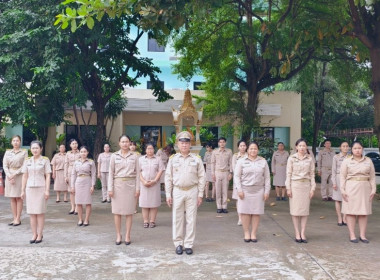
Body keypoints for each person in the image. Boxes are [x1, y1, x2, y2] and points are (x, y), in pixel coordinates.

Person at [165, 131, 205, 255]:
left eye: (186, 143)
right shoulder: (173, 159)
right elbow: (168, 177)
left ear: (190, 144)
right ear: (177, 144)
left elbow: (202, 177)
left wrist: (200, 194)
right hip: (177, 191)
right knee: (177, 218)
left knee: (191, 219)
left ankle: (188, 244)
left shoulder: (196, 159)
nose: (184, 145)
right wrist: (168, 194)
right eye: (181, 143)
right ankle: (178, 243)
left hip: (192, 191)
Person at [340, 141, 376, 243]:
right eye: (355, 148)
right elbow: (342, 177)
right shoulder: (347, 161)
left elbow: (372, 177)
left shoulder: (368, 161)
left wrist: (373, 189)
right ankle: (352, 235)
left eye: (359, 148)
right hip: (350, 188)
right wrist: (342, 190)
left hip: (365, 189)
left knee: (363, 213)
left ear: (362, 149)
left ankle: (362, 235)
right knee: (351, 212)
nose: (357, 150)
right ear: (352, 150)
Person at [234, 141, 270, 243]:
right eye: (251, 148)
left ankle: (253, 233)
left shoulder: (263, 161)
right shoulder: (241, 161)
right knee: (245, 212)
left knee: (256, 213)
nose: (253, 150)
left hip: (258, 190)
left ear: (258, 150)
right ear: (247, 150)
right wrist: (239, 190)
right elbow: (236, 176)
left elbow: (267, 178)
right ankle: (246, 232)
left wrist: (266, 191)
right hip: (245, 190)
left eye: (255, 148)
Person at [108, 135, 140, 245]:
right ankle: (118, 234)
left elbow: (138, 174)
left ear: (130, 143)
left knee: (129, 212)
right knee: (117, 212)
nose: (125, 144)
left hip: (130, 186)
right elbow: (110, 173)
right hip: (117, 186)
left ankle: (127, 234)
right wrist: (110, 188)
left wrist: (137, 188)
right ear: (119, 143)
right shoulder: (114, 156)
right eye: (123, 141)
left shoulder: (135, 156)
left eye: (127, 142)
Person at [286, 138, 316, 243]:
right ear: (296, 147)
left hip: (306, 186)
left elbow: (312, 174)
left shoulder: (310, 159)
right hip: (295, 186)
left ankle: (303, 233)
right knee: (295, 211)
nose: (302, 148)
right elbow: (288, 174)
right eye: (300, 146)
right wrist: (288, 188)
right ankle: (297, 233)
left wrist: (313, 188)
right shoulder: (291, 158)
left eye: (304, 146)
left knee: (304, 211)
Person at [21, 140, 51, 244]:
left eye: (37, 148)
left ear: (41, 149)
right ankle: (34, 233)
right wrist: (22, 190)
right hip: (30, 189)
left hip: (41, 188)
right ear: (30, 149)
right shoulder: (27, 160)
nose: (35, 150)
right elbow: (25, 176)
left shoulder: (45, 160)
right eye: (33, 148)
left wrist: (47, 190)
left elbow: (48, 175)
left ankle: (40, 234)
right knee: (32, 213)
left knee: (40, 213)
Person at [3, 135, 27, 226]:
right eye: (14, 140)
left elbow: (24, 165)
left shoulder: (24, 152)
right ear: (11, 142)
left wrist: (14, 174)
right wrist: (9, 175)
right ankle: (14, 218)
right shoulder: (7, 152)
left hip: (19, 175)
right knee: (12, 198)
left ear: (20, 142)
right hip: (9, 176)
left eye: (17, 140)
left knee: (18, 197)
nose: (16, 142)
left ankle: (18, 218)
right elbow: (5, 165)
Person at [138, 143, 165, 228]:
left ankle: (152, 221)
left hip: (154, 184)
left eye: (152, 148)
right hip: (143, 184)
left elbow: (161, 170)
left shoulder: (158, 159)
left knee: (154, 203)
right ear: (145, 150)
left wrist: (155, 180)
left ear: (154, 149)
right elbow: (138, 171)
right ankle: (146, 221)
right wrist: (143, 181)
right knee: (144, 203)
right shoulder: (141, 159)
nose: (150, 150)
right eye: (148, 148)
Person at [71, 146, 96, 226]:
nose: (83, 153)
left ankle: (86, 219)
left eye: (85, 151)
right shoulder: (76, 162)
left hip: (87, 181)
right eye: (81, 152)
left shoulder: (91, 162)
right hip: (78, 182)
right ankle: (80, 219)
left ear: (87, 152)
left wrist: (92, 185)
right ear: (79, 153)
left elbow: (93, 174)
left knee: (88, 202)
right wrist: (72, 186)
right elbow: (73, 174)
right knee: (78, 202)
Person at [211, 137, 233, 213]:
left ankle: (224, 206)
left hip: (226, 172)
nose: (222, 143)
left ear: (225, 143)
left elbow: (231, 163)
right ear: (218, 143)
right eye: (220, 142)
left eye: (223, 142)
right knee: (218, 190)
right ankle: (219, 206)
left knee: (225, 190)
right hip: (217, 172)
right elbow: (212, 163)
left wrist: (231, 173)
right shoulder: (215, 152)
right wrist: (213, 173)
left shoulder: (229, 151)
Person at [331, 141, 350, 226]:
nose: (345, 148)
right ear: (340, 147)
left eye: (347, 146)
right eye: (343, 146)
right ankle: (339, 217)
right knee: (338, 199)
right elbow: (333, 171)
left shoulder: (351, 157)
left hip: (348, 179)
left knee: (347, 199)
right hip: (338, 178)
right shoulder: (336, 157)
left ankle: (345, 218)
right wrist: (334, 182)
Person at [231, 140, 247, 226]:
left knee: (247, 199)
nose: (242, 147)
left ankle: (247, 217)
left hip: (247, 181)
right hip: (238, 180)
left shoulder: (249, 155)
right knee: (238, 199)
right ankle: (240, 218)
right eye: (241, 146)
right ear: (238, 147)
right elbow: (234, 168)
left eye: (244, 145)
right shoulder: (235, 156)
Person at [64, 139, 80, 215]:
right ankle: (72, 207)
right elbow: (66, 164)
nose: (75, 145)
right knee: (71, 191)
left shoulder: (80, 152)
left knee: (77, 191)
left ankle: (77, 207)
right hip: (70, 172)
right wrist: (65, 176)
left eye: (76, 143)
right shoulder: (68, 153)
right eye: (73, 143)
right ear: (70, 145)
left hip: (78, 172)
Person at [130, 140, 141, 214]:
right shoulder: (125, 153)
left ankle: (134, 207)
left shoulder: (138, 154)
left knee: (135, 193)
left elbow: (140, 165)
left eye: (134, 145)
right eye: (131, 145)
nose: (132, 146)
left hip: (136, 175)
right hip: (128, 175)